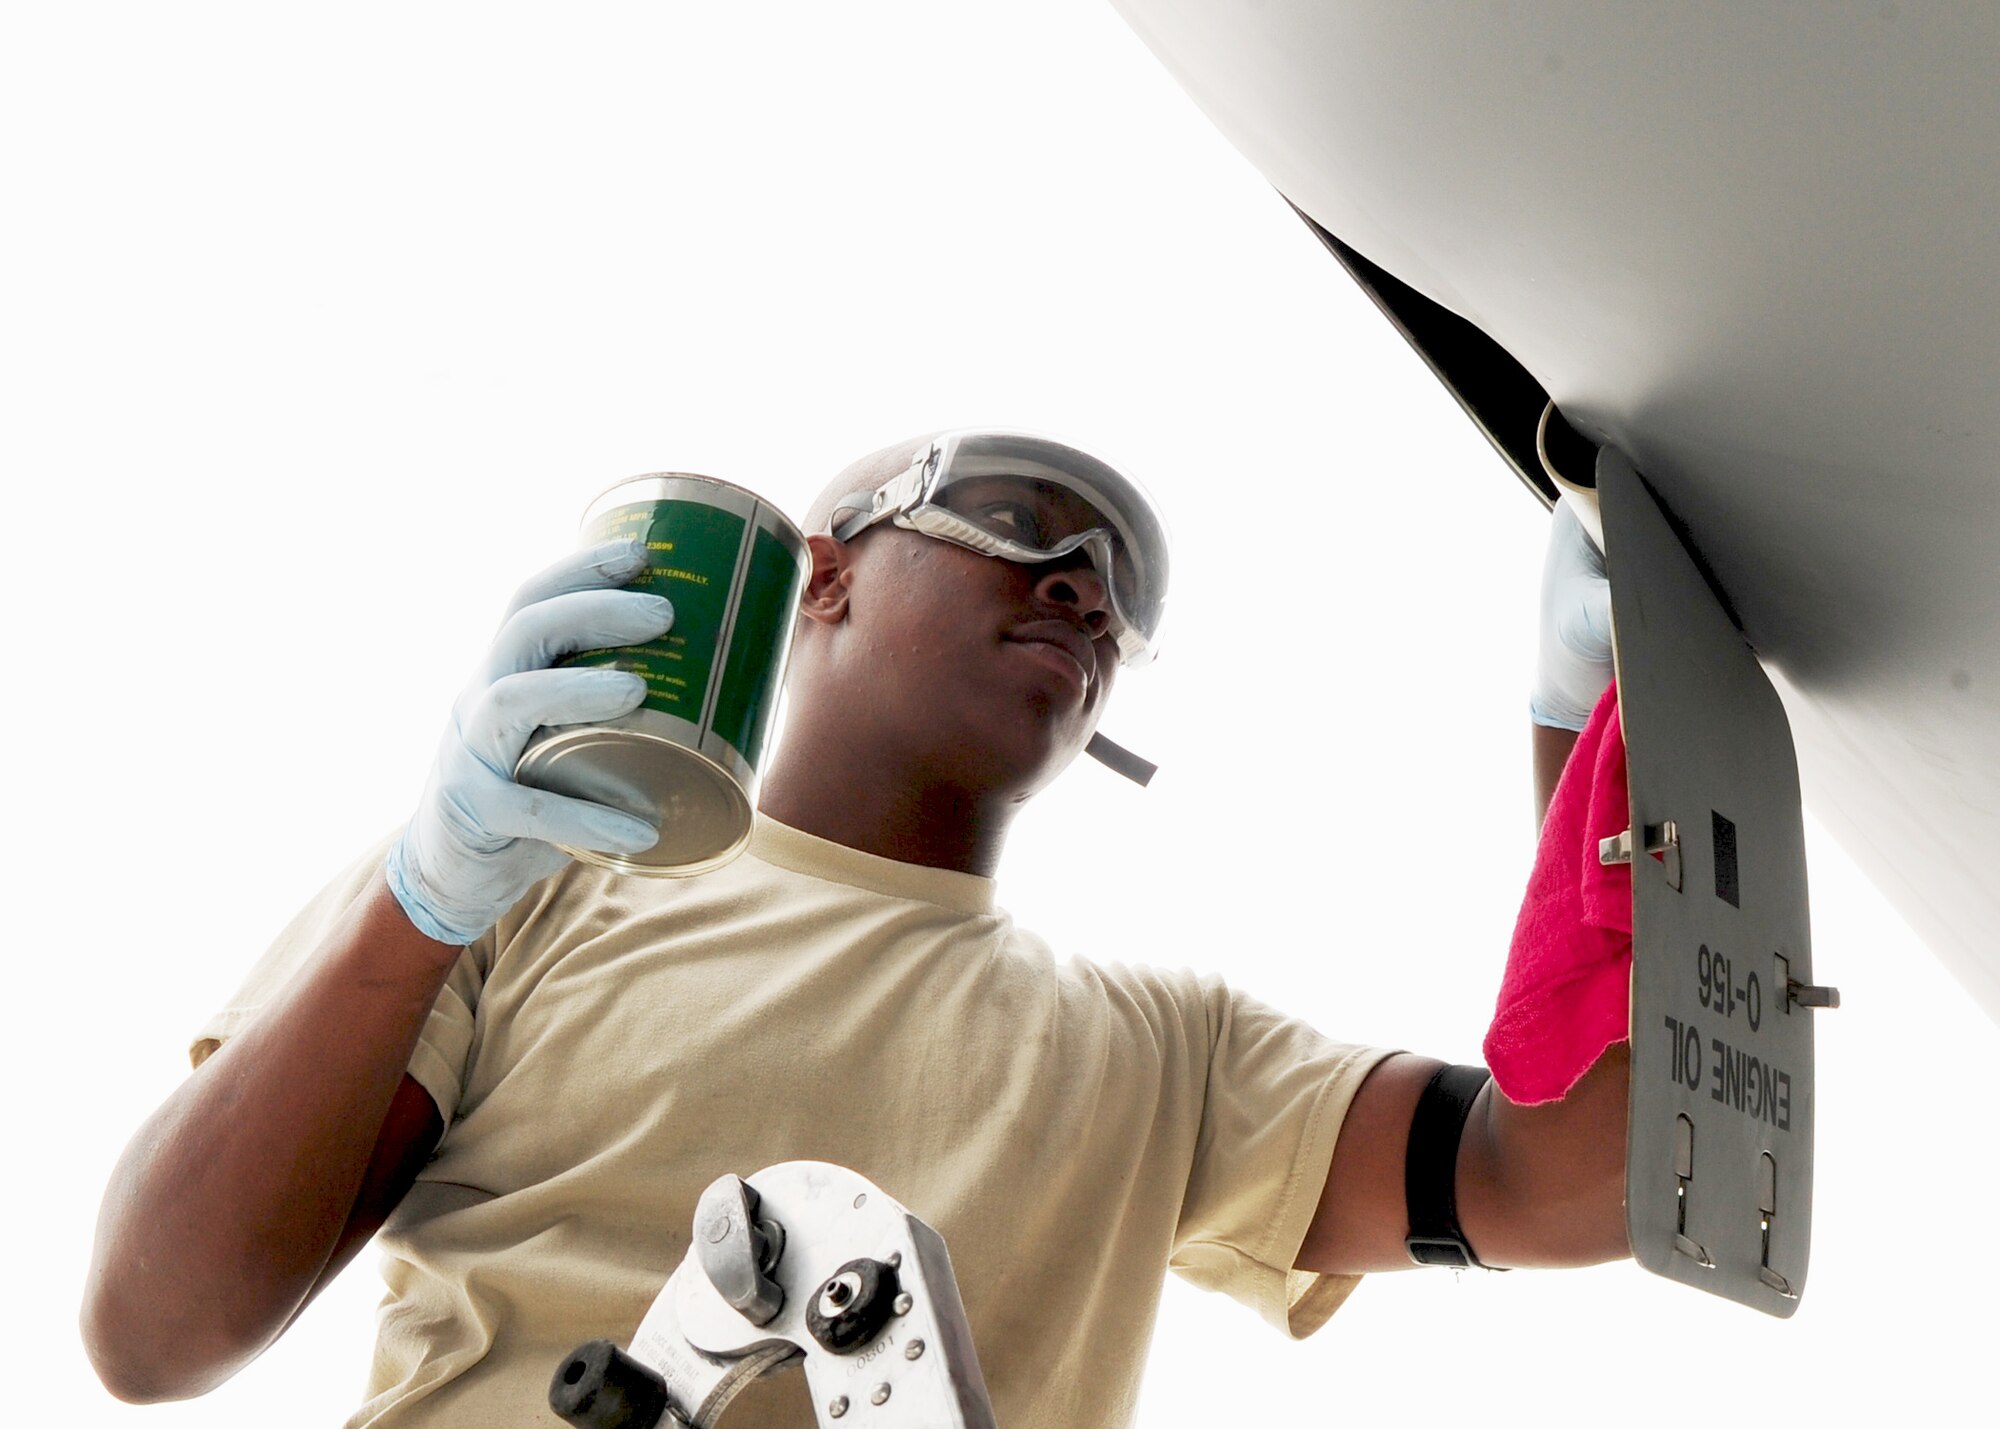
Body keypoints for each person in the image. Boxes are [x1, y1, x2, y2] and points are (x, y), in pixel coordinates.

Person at [82, 429, 1627, 1427]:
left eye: (1117, 590)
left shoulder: (1167, 1056)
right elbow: (157, 1333)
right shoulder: (536, 875)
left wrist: (1610, 725)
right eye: (1022, 520)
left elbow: (1575, 1179)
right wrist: (416, 912)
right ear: (820, 575)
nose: (1084, 591)